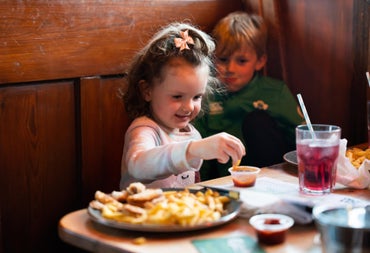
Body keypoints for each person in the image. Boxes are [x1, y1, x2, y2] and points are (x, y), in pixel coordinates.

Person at [119, 22, 245, 189]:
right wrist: (193, 150)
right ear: (147, 90)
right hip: (139, 213)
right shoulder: (145, 129)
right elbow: (138, 165)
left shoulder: (191, 134)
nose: (188, 107)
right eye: (177, 96)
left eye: (197, 97)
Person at [194, 12, 304, 180]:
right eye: (223, 59)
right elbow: (199, 151)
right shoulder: (205, 96)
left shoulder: (275, 92)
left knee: (257, 122)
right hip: (226, 180)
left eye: (242, 61)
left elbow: (300, 142)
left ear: (260, 61)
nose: (230, 68)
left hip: (270, 177)